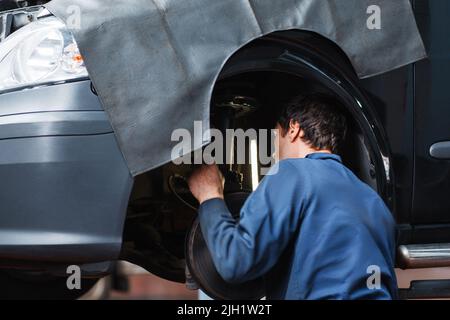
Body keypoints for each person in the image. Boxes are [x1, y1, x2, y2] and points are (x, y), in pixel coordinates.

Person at [187, 93, 398, 299]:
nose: (274, 152)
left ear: (294, 129)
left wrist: (210, 196)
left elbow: (236, 262)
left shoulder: (293, 172)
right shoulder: (376, 206)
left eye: (275, 138)